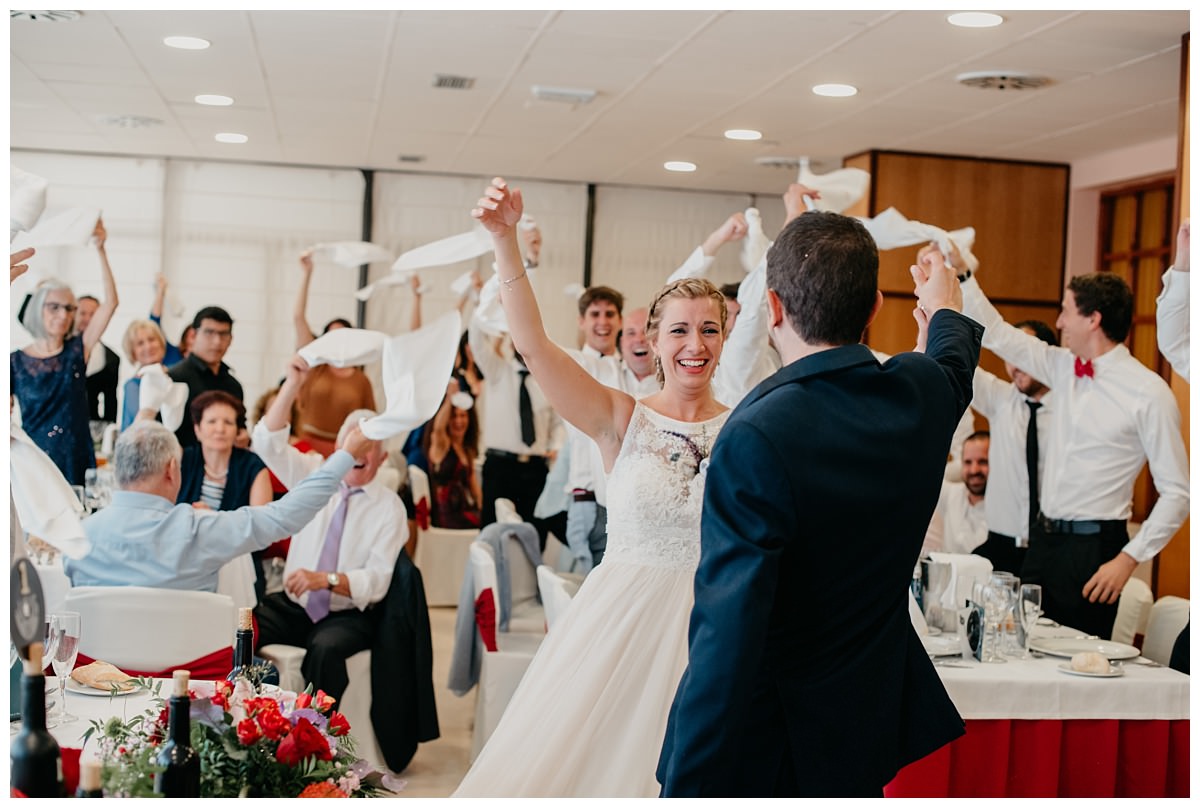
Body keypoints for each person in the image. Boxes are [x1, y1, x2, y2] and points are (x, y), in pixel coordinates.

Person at [658, 212, 979, 797]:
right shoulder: (918, 395)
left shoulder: (757, 431)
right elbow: (953, 368)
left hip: (772, 740)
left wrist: (687, 784)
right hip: (864, 730)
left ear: (773, 307)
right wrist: (944, 309)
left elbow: (727, 635)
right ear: (875, 307)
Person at [454, 178, 730, 797]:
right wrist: (505, 243)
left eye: (709, 330)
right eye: (679, 330)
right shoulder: (618, 416)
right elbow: (532, 344)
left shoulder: (745, 426)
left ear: (724, 338)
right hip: (624, 620)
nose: (695, 345)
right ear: (651, 342)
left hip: (717, 625)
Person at [956, 250, 1189, 640]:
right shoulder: (1062, 367)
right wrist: (962, 276)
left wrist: (1129, 558)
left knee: (1076, 660)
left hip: (1094, 548)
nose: (1059, 322)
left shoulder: (1149, 393)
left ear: (1093, 319)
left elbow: (1178, 492)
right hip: (1044, 541)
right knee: (1018, 645)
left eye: (1066, 312)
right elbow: (997, 333)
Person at [251, 354, 408, 707]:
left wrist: (327, 579)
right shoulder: (313, 476)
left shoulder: (389, 506)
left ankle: (317, 742)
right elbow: (267, 443)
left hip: (348, 613)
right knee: (244, 625)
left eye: (371, 444)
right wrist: (292, 384)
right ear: (338, 448)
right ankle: (247, 717)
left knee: (325, 650)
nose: (360, 450)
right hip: (296, 604)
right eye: (353, 442)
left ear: (382, 458)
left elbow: (378, 581)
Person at [63, 419, 374, 591]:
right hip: (185, 684)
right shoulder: (199, 530)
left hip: (96, 684)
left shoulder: (77, 537)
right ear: (172, 469)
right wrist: (345, 455)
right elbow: (285, 516)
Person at [11, 219, 118, 486]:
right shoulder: (14, 362)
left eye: (69, 308)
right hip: (34, 462)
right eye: (54, 307)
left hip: (76, 459)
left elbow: (111, 303)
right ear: (39, 309)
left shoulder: (76, 351)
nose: (63, 315)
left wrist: (101, 250)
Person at [968, 320, 1057, 574]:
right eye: (1009, 357)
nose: (1015, 366)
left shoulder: (1071, 412)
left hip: (1053, 549)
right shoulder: (1001, 401)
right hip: (1001, 547)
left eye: (1021, 355)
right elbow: (959, 363)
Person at [175, 390, 273, 607]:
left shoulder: (254, 467)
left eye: (228, 422)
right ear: (198, 429)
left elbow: (262, 532)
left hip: (239, 563)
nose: (220, 429)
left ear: (237, 430)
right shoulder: (182, 460)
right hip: (185, 557)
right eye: (211, 421)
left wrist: (213, 519)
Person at [292, 250, 381, 456]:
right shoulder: (315, 367)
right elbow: (298, 318)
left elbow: (370, 421)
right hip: (305, 446)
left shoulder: (361, 381)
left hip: (342, 450)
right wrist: (307, 273)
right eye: (332, 337)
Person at [168, 306, 246, 451]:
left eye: (223, 334)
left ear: (230, 339)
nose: (217, 341)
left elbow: (240, 427)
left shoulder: (234, 385)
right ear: (193, 336)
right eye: (209, 333)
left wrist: (242, 436)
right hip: (183, 467)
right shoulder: (174, 378)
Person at [420, 383, 482, 529]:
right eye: (454, 417)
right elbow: (438, 428)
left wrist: (484, 509)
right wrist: (450, 399)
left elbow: (475, 489)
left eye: (463, 416)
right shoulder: (441, 446)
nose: (459, 421)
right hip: (446, 515)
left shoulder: (467, 450)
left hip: (464, 510)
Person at [923, 431, 990, 555]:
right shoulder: (950, 494)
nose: (974, 470)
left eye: (982, 462)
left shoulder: (1005, 509)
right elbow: (924, 474)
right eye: (968, 462)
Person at [76, 294, 121, 427]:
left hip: (89, 427)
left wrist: (108, 433)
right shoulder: (57, 349)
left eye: (93, 314)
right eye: (82, 313)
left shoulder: (111, 358)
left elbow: (111, 402)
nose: (88, 319)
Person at [119, 318, 171, 431]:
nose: (148, 347)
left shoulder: (174, 375)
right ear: (133, 352)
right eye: (140, 343)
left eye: (152, 339)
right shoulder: (133, 385)